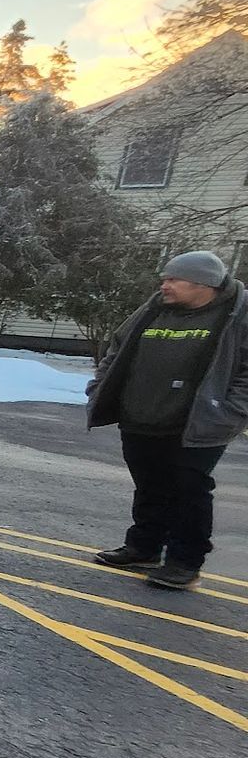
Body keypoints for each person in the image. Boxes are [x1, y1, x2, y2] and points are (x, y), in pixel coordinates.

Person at [86, 251, 248, 589]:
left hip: (199, 424)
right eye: (165, 279)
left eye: (173, 279)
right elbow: (118, 347)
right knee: (149, 486)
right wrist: (100, 385)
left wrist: (227, 412)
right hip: (141, 415)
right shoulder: (154, 308)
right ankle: (143, 546)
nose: (165, 285)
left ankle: (185, 562)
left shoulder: (236, 315)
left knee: (189, 490)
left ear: (204, 285)